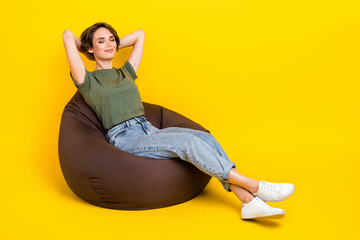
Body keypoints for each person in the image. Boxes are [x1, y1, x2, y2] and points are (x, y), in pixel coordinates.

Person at [62, 22, 295, 220]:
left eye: (112, 39)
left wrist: (109, 46)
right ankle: (254, 186)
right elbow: (66, 35)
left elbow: (140, 34)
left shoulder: (125, 72)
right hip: (124, 138)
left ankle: (247, 202)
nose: (110, 44)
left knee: (203, 137)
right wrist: (88, 48)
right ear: (90, 48)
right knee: (187, 143)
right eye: (101, 41)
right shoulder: (88, 80)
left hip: (148, 129)